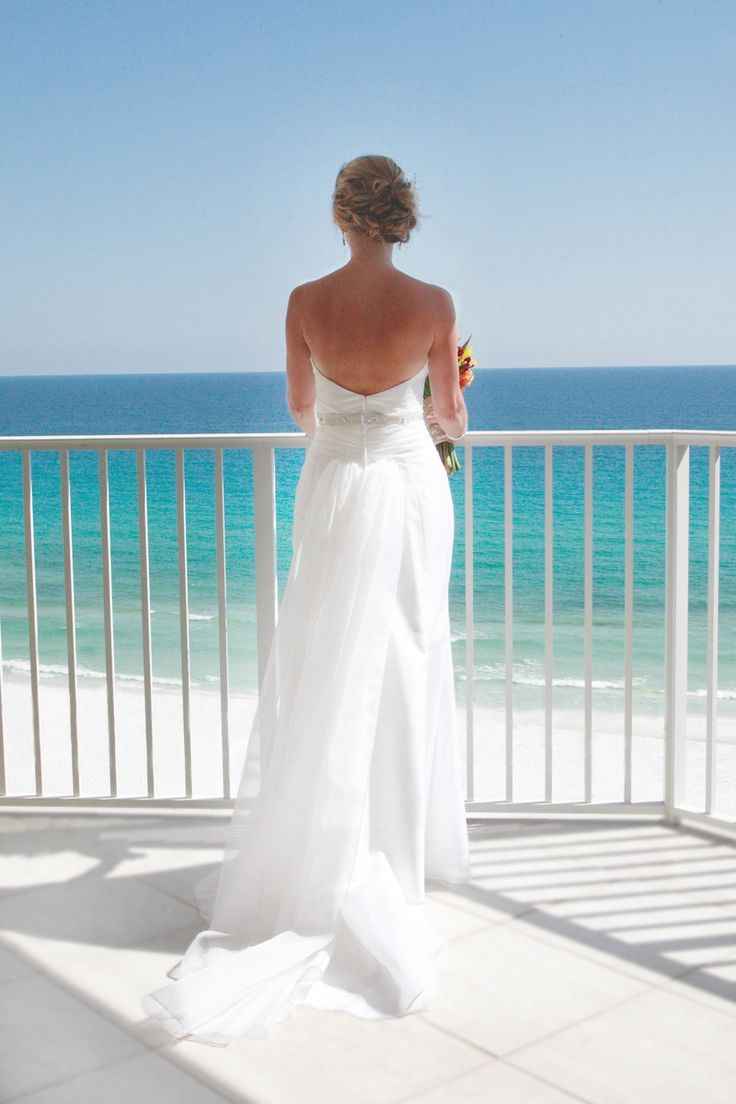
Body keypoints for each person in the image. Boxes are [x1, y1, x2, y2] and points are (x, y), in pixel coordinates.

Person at [141, 154, 472, 1046]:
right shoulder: (435, 305)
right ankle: (386, 862)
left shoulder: (302, 301)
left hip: (334, 488)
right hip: (408, 490)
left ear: (339, 216)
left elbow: (302, 409)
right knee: (400, 660)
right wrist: (451, 400)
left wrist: (349, 423)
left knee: (325, 658)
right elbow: (449, 422)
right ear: (401, 216)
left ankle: (314, 849)